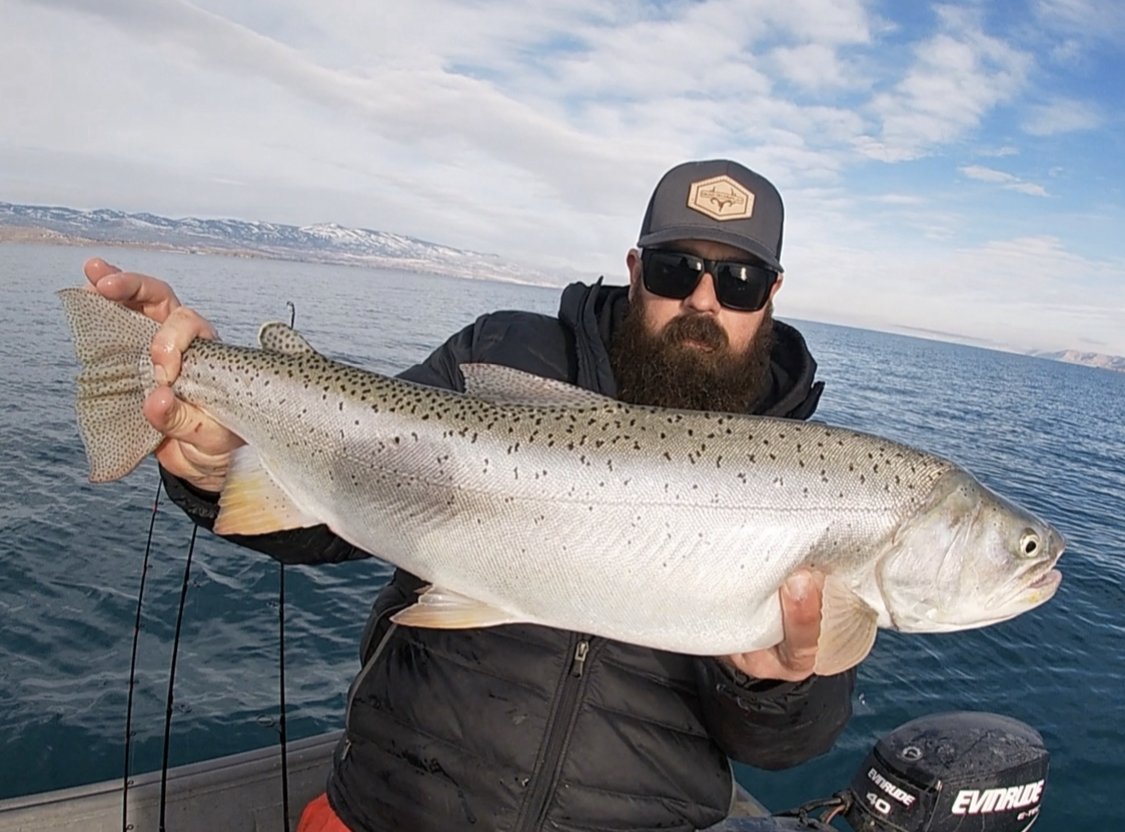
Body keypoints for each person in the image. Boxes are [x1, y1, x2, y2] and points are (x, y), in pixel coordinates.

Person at [84, 159, 855, 832]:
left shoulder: (822, 484)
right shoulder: (503, 350)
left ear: (772, 292)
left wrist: (768, 685)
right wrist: (217, 466)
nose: (703, 299)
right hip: (390, 807)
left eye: (739, 279)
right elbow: (335, 518)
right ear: (632, 268)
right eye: (673, 270)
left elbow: (785, 747)